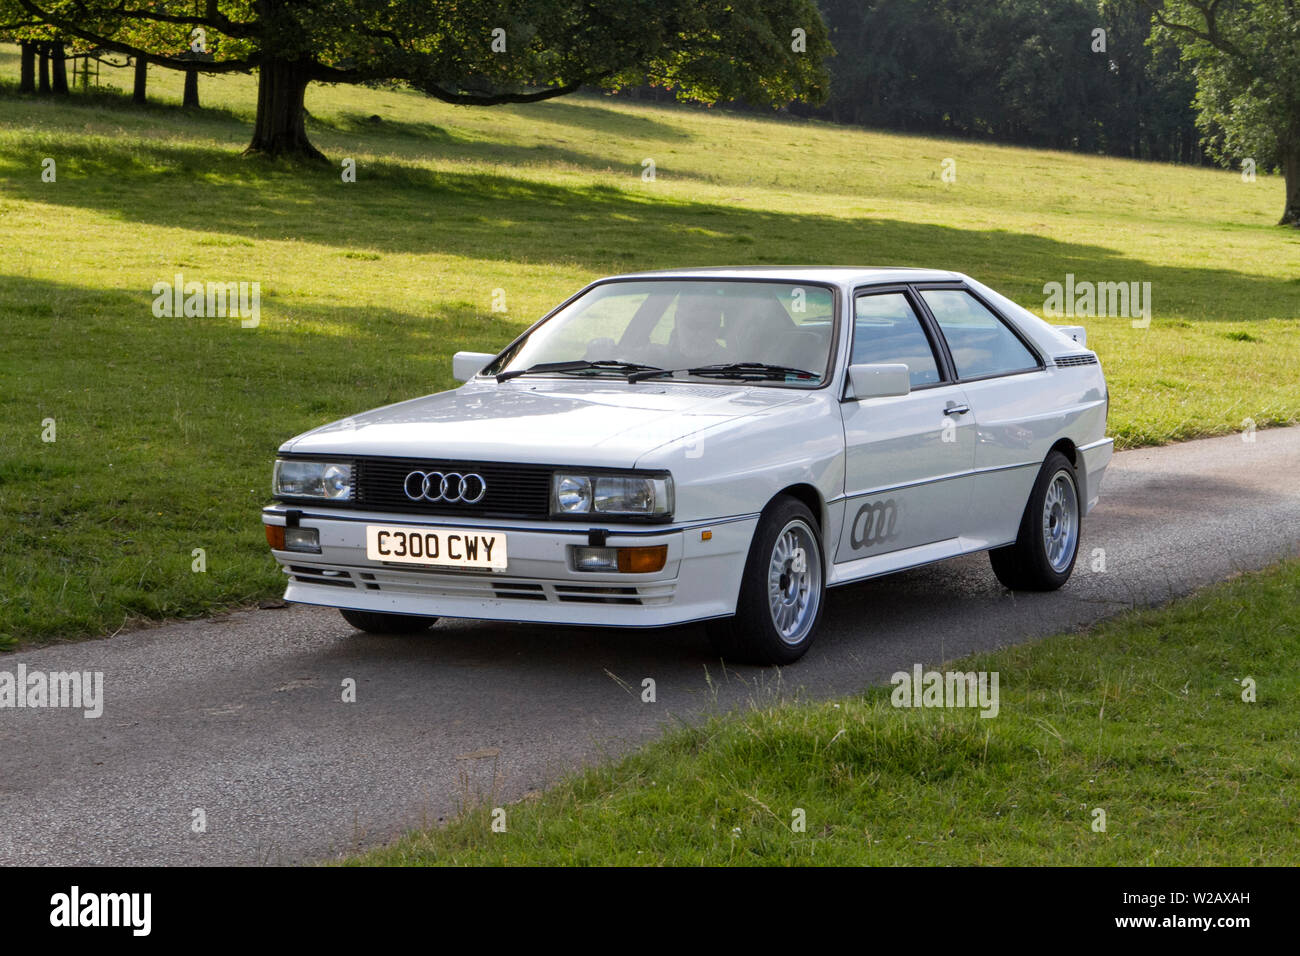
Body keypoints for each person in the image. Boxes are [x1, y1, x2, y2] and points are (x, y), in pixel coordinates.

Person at [672, 298, 730, 365]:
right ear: (676, 321)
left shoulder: (732, 363)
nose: (701, 334)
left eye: (708, 325)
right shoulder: (660, 362)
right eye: (692, 325)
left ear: (718, 325)